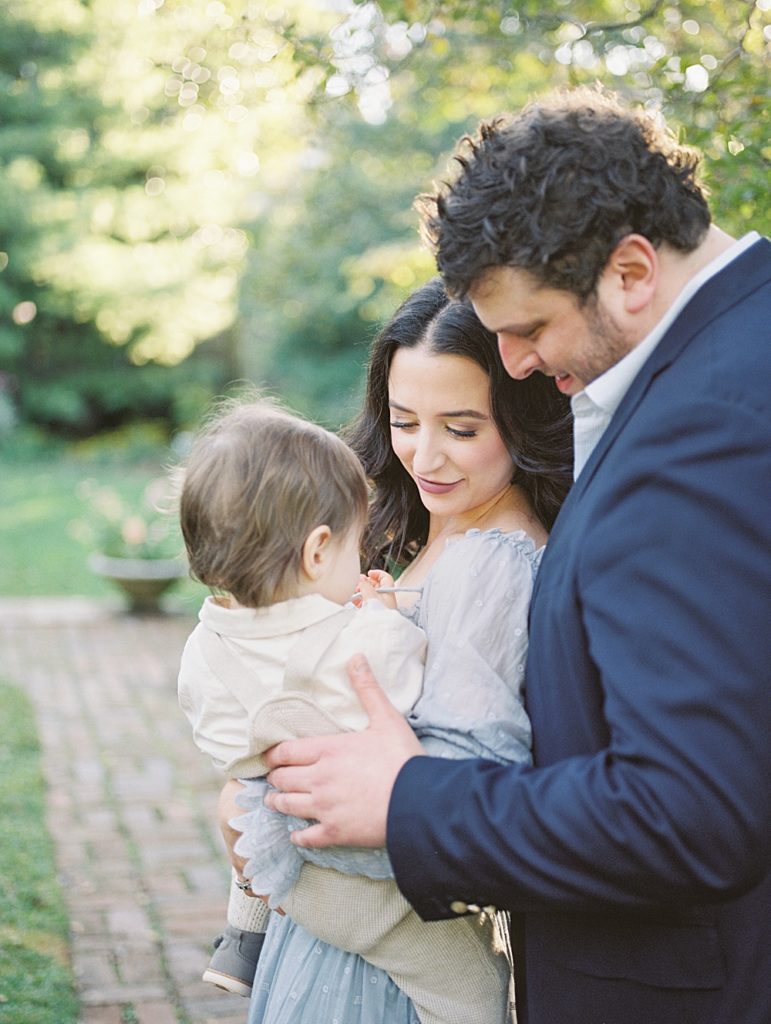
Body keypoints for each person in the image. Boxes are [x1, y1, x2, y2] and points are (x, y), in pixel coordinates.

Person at [260, 86, 771, 1024]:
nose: (517, 363)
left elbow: (687, 814)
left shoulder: (705, 427)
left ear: (629, 271)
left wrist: (410, 799)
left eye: (527, 328)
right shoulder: (738, 351)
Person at [215, 280, 573, 1024]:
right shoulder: (410, 528)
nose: (425, 455)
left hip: (382, 958)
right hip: (335, 929)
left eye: (462, 428)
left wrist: (274, 822)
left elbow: (456, 791)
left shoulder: (491, 564)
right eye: (404, 420)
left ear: (521, 417)